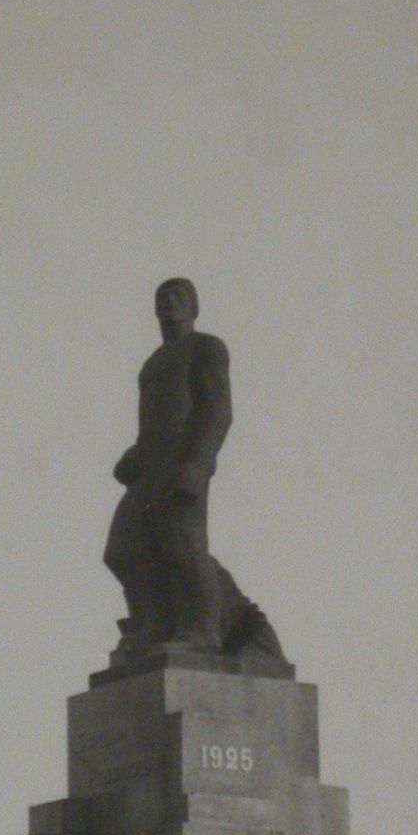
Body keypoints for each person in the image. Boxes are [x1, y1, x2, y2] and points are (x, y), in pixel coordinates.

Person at [104, 279, 283, 663]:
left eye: (178, 296)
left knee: (183, 546)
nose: (169, 302)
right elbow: (153, 424)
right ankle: (153, 624)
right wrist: (134, 456)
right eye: (162, 298)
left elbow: (217, 411)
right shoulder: (151, 365)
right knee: (122, 549)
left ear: (194, 307)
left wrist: (198, 464)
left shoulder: (206, 348)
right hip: (149, 467)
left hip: (182, 461)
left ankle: (202, 633)